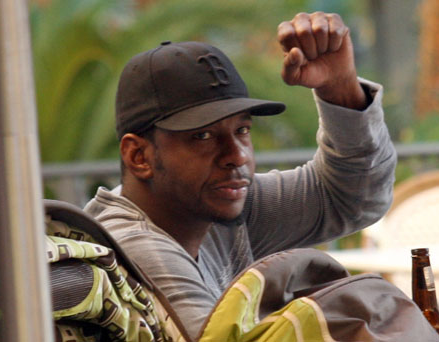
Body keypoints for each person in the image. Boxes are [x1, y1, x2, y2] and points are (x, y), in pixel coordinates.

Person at [84, 11, 397, 339]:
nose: (238, 156)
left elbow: (351, 199)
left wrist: (340, 87)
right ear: (139, 157)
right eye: (203, 136)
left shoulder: (213, 208)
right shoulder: (136, 247)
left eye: (242, 129)